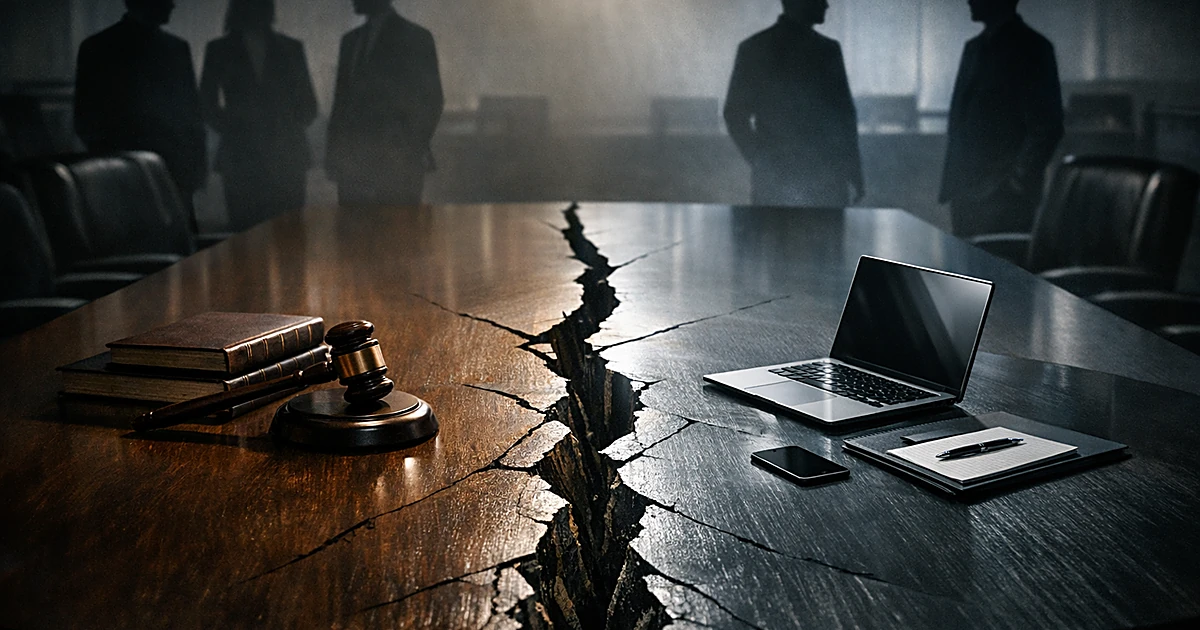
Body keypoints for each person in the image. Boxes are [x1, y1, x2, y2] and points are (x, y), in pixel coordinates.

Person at [939, 0, 1064, 237]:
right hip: (966, 193)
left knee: (1001, 267)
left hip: (1004, 196)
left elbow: (1047, 126)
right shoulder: (973, 48)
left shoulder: (1032, 48)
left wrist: (1016, 181)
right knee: (965, 270)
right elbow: (959, 119)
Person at [724, 0, 863, 208]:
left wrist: (760, 160)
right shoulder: (827, 51)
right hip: (825, 177)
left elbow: (734, 114)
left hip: (776, 176)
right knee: (825, 238)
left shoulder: (754, 48)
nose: (826, 5)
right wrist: (852, 170)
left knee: (772, 237)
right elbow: (844, 117)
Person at [200, 0, 318, 231]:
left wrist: (239, 128)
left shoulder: (220, 49)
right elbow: (206, 105)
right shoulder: (290, 48)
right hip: (261, 157)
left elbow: (309, 106)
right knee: (263, 241)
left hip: (264, 158)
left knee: (281, 239)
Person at [74, 0, 207, 202]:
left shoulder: (98, 46)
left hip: (144, 167)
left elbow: (192, 113)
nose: (172, 5)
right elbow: (191, 114)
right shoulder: (175, 48)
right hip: (141, 167)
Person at [326, 0, 444, 207]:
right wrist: (335, 154)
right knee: (355, 234)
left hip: (396, 165)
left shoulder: (415, 38)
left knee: (395, 232)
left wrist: (408, 150)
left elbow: (431, 99)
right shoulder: (351, 41)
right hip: (354, 164)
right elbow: (341, 103)